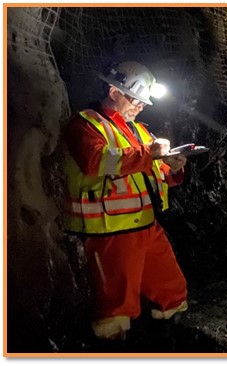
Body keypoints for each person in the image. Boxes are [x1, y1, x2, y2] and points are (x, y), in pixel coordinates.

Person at [62, 61, 188, 341]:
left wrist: (174, 168)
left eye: (144, 103)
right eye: (135, 99)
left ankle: (171, 339)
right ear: (113, 91)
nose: (140, 107)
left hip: (146, 224)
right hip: (110, 230)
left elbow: (158, 172)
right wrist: (148, 153)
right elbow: (96, 161)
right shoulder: (85, 124)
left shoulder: (140, 130)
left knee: (172, 290)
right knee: (115, 308)